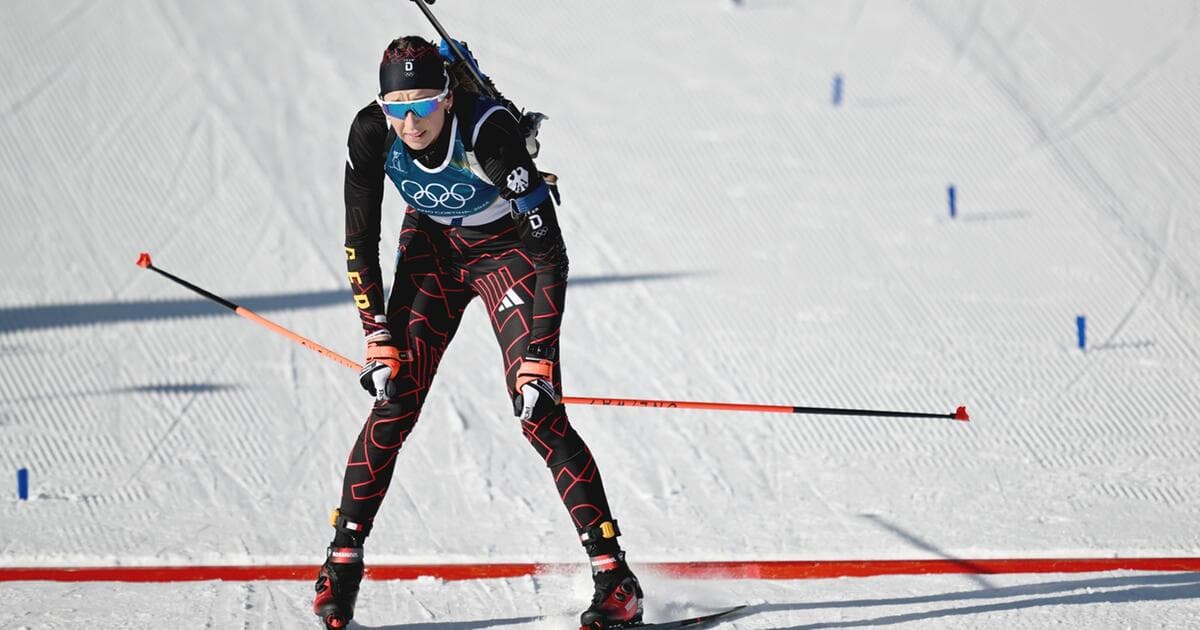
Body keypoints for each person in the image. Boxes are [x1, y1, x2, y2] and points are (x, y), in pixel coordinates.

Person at [311, 36, 643, 630]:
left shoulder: (489, 133)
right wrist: (376, 332)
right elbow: (360, 239)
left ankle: (615, 579)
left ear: (446, 95)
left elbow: (550, 253)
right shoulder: (371, 132)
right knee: (394, 400)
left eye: (422, 104)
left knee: (537, 410)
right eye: (397, 106)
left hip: (508, 255)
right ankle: (341, 567)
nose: (409, 121)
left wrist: (538, 355)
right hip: (434, 249)